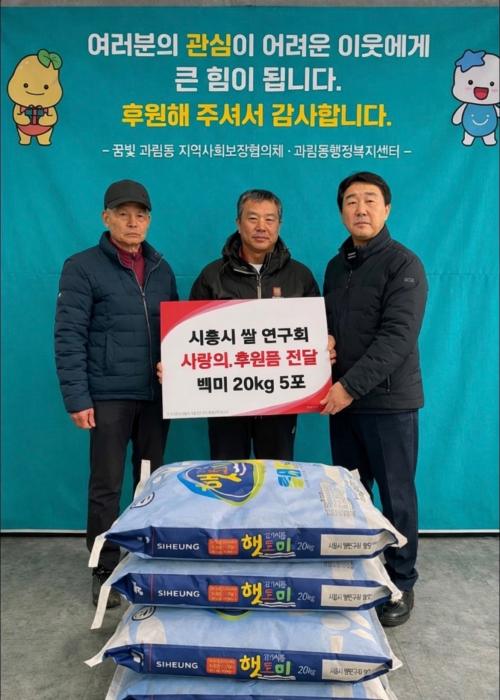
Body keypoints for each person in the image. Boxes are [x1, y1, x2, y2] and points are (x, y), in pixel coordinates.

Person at [54, 179, 178, 607]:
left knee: (152, 481)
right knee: (106, 484)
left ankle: (146, 555)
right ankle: (104, 566)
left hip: (155, 397)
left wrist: (178, 372)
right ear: (106, 218)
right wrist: (77, 397)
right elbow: (68, 335)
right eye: (122, 214)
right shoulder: (82, 267)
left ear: (149, 220)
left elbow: (178, 333)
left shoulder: (161, 268)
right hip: (107, 396)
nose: (132, 222)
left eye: (140, 215)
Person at [320, 171, 428, 627]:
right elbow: (327, 327)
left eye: (369, 200)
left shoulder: (403, 264)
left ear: (387, 209)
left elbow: (397, 338)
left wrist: (348, 386)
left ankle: (401, 581)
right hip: (344, 404)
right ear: (341, 211)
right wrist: (323, 347)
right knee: (351, 496)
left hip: (388, 403)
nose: (360, 209)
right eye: (351, 201)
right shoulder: (335, 267)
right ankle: (360, 570)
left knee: (396, 495)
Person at [189, 188, 321, 460]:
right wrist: (177, 365)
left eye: (269, 219)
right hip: (226, 404)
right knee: (229, 477)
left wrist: (324, 345)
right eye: (252, 218)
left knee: (276, 476)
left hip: (281, 402)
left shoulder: (301, 277)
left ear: (279, 225)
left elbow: (318, 333)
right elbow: (190, 339)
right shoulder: (212, 276)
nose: (261, 226)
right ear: (238, 223)